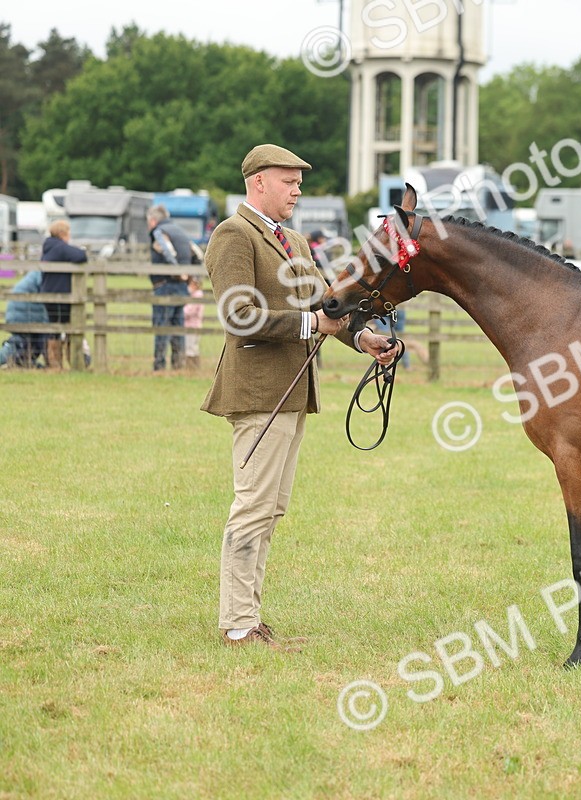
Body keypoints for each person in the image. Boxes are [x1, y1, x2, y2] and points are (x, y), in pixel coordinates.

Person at [202, 144, 398, 651]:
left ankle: (248, 616)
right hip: (258, 392)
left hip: (293, 391)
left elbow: (324, 307)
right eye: (288, 181)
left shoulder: (292, 241)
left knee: (272, 508)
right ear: (257, 181)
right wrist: (314, 322)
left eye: (299, 183)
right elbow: (237, 315)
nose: (297, 190)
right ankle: (239, 624)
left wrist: (363, 339)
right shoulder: (233, 236)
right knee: (253, 507)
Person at [147, 205, 194, 371]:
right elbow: (196, 253)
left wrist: (177, 271)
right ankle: (178, 365)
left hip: (165, 286)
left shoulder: (159, 231)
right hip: (181, 287)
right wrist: (190, 276)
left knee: (162, 326)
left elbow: (168, 252)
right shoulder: (179, 231)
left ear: (153, 220)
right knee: (178, 326)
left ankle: (159, 366)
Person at [40, 220, 87, 370]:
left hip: (49, 294)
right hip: (61, 295)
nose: (69, 236)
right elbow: (80, 256)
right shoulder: (60, 248)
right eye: (68, 232)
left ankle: (55, 363)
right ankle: (73, 361)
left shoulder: (48, 247)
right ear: (62, 234)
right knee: (68, 328)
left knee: (55, 328)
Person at [183, 276, 205, 370]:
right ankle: (195, 367)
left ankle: (191, 367)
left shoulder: (197, 295)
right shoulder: (196, 295)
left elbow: (189, 311)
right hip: (195, 325)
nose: (190, 286)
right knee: (194, 347)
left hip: (192, 325)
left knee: (190, 347)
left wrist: (180, 310)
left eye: (192, 284)